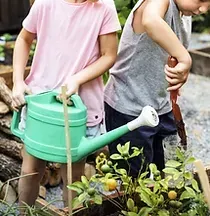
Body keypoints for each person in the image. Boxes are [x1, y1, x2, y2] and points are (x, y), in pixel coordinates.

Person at [11, 0, 121, 212]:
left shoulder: (104, 6)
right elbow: (24, 38)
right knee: (30, 170)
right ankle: (24, 212)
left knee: (74, 174)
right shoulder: (45, 3)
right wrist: (17, 81)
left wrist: (78, 79)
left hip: (81, 106)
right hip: (40, 102)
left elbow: (109, 55)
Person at [104, 0, 210, 177]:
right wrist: (186, 59)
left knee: (168, 172)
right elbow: (151, 21)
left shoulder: (185, 14)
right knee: (136, 180)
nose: (204, 9)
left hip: (161, 106)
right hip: (129, 108)